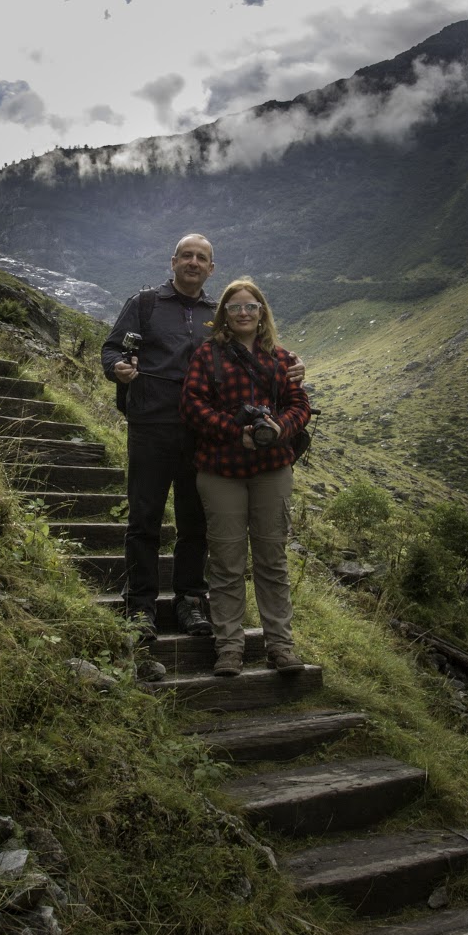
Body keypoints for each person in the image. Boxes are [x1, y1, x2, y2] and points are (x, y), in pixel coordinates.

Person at [181, 277, 311, 677]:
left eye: (250, 307)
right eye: (235, 306)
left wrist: (278, 430)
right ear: (223, 314)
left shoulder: (282, 359)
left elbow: (300, 405)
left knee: (272, 560)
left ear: (261, 313)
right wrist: (234, 431)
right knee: (226, 561)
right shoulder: (207, 356)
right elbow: (192, 405)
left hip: (271, 469)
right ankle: (229, 649)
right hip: (221, 470)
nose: (242, 313)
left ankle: (281, 647)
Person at [102, 234, 220, 642]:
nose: (193, 262)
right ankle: (140, 607)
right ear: (173, 261)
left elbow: (249, 355)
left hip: (201, 433)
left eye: (201, 258)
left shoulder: (216, 313)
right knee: (144, 518)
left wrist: (290, 364)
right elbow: (110, 349)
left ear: (210, 267)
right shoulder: (145, 303)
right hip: (150, 425)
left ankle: (190, 601)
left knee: (195, 522)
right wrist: (117, 367)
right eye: (186, 255)